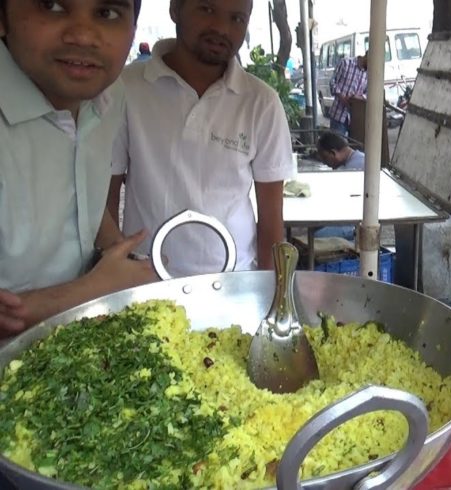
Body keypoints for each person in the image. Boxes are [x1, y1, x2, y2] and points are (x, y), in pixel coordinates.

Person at [0, 0, 155, 338]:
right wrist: (93, 290)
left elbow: (81, 186)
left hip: (77, 361)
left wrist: (117, 250)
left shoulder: (108, 95)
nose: (84, 36)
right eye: (53, 6)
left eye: (107, 13)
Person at [107, 0, 295, 278]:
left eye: (237, 19)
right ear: (175, 9)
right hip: (147, 280)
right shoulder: (125, 89)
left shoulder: (261, 102)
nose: (221, 28)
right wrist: (118, 275)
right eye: (207, 9)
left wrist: (270, 295)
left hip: (235, 282)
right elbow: (106, 200)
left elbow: (271, 221)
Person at [328, 52, 367, 136]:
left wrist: (358, 98)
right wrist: (341, 97)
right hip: (339, 114)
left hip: (356, 118)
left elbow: (368, 93)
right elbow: (332, 82)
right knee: (337, 146)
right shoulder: (345, 63)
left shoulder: (368, 73)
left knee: (355, 146)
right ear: (367, 56)